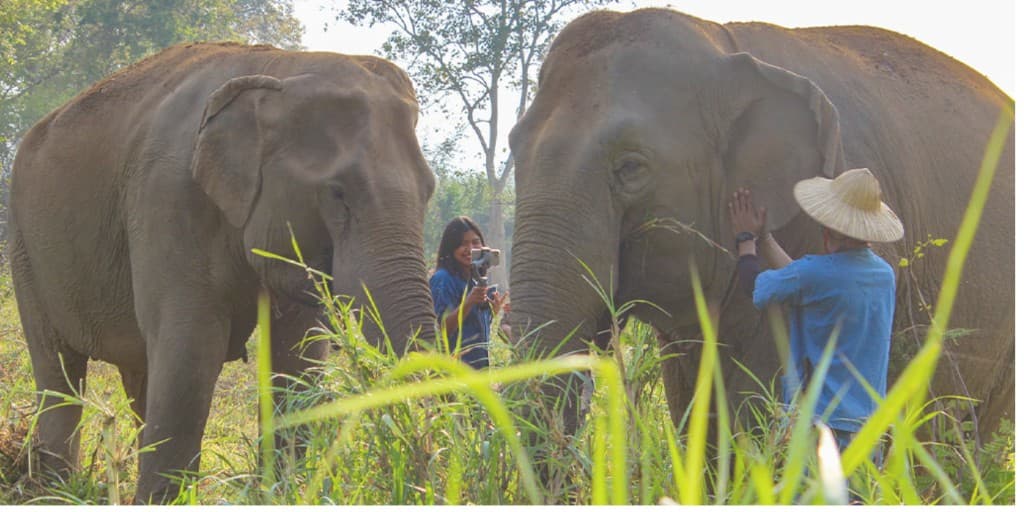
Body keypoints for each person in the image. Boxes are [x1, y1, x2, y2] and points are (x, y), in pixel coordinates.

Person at [728, 167, 904, 452]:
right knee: (858, 497)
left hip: (820, 426)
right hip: (869, 427)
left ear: (829, 229)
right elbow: (807, 281)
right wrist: (766, 239)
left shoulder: (817, 274)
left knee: (811, 497)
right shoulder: (883, 275)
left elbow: (755, 287)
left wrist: (745, 240)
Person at [430, 216, 510, 369]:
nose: (470, 249)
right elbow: (441, 330)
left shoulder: (474, 281)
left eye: (475, 242)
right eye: (462, 244)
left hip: (478, 372)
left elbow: (472, 329)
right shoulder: (443, 279)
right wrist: (469, 302)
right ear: (451, 248)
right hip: (453, 375)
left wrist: (493, 311)